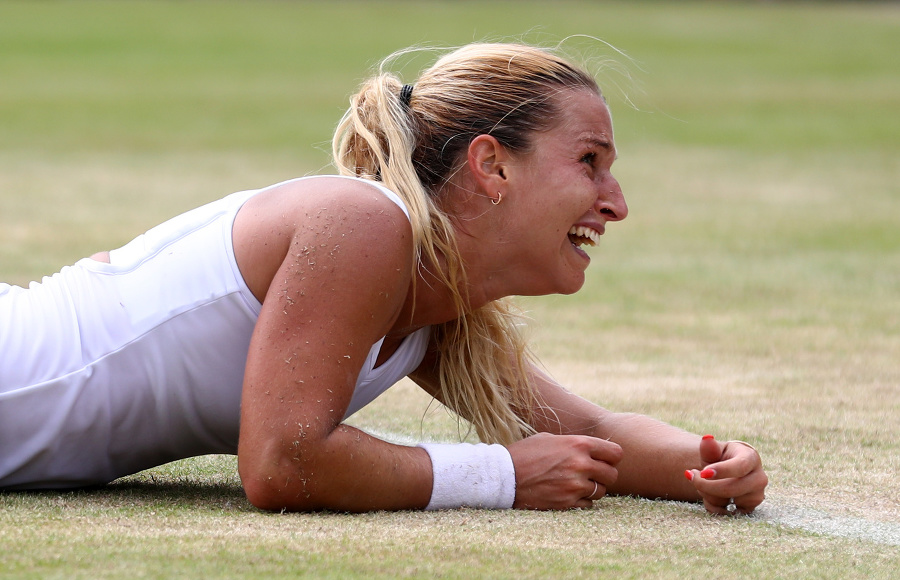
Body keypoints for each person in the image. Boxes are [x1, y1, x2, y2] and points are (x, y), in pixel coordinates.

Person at [0, 42, 767, 515]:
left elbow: (586, 434)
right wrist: (498, 475)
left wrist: (707, 463)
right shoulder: (364, 224)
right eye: (589, 161)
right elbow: (282, 460)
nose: (617, 203)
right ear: (491, 165)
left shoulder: (435, 301)